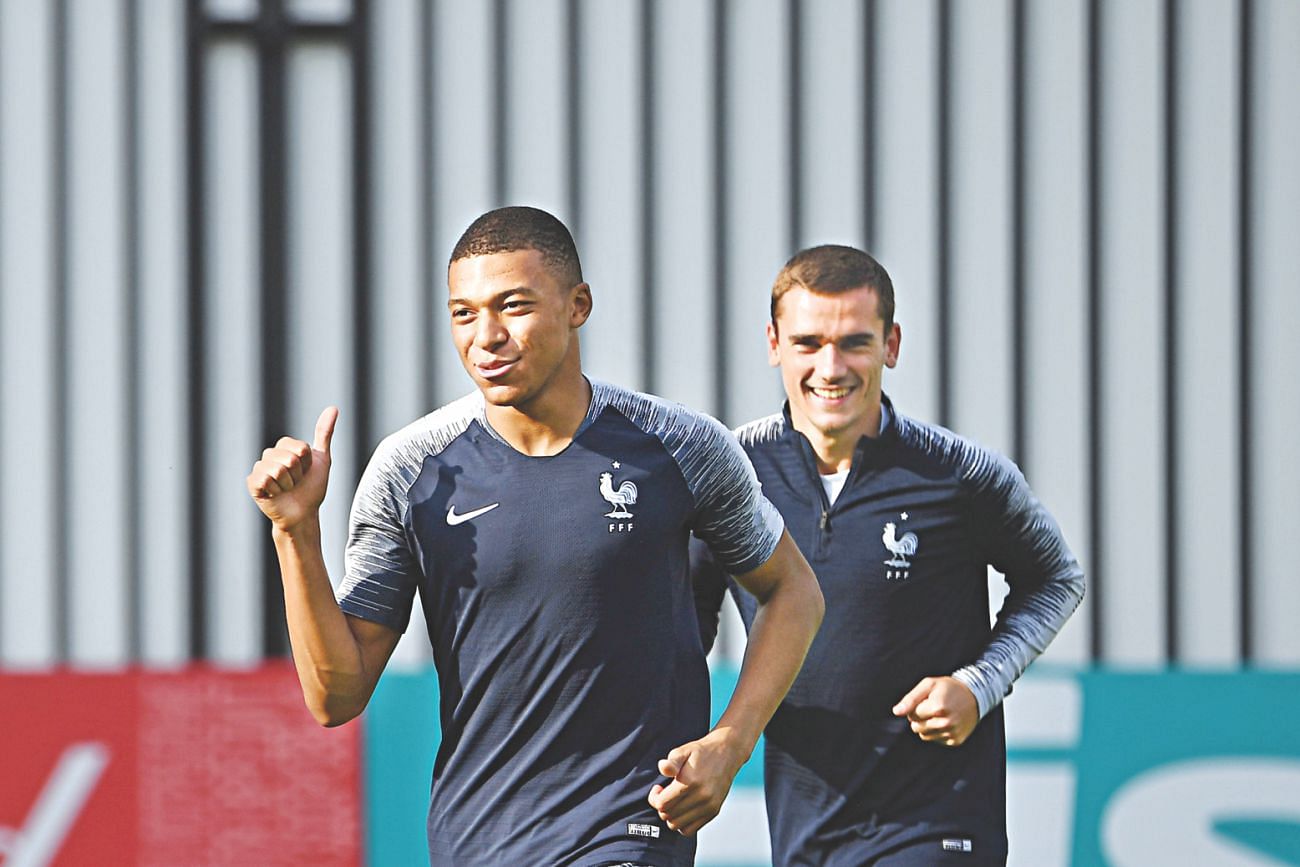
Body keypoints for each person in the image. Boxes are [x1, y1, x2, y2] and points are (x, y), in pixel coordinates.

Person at [246, 206, 824, 866]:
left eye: (512, 305)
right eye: (463, 313)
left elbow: (793, 591)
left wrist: (732, 739)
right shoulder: (414, 471)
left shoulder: (682, 447)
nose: (485, 336)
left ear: (578, 305)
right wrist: (294, 531)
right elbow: (334, 695)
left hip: (627, 829)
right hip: (477, 838)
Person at [693, 245, 1085, 866]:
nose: (831, 366)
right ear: (773, 343)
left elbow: (1056, 579)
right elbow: (679, 620)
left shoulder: (962, 473)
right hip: (805, 822)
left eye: (854, 342)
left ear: (891, 345)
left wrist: (977, 686)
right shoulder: (729, 473)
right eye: (807, 343)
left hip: (940, 820)